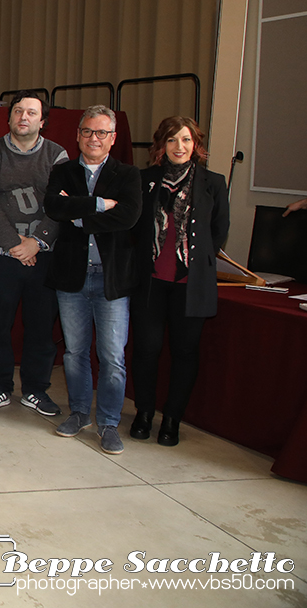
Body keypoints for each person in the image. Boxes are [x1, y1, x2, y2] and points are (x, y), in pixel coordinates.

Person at [43, 106, 142, 454]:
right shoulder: (62, 171)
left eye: (101, 133)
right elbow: (54, 208)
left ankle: (109, 423)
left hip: (111, 280)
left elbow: (128, 217)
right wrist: (100, 205)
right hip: (72, 278)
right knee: (74, 352)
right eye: (87, 131)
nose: (94, 138)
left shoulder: (128, 175)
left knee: (112, 356)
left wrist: (80, 216)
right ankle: (80, 413)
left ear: (113, 139)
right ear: (78, 135)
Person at [129, 116, 229, 447]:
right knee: (146, 349)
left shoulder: (213, 182)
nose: (179, 147)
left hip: (191, 285)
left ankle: (172, 420)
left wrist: (194, 260)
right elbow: (134, 229)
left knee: (185, 352)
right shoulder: (145, 180)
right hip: (151, 282)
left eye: (186, 140)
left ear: (195, 144)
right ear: (161, 146)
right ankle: (144, 413)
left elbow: (218, 232)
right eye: (172, 140)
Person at [0, 90, 68, 415]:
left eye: (31, 112)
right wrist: (16, 245)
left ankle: (36, 390)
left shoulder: (57, 156)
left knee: (41, 327)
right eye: (18, 112)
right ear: (10, 117)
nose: (23, 117)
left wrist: (36, 242)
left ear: (42, 120)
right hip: (1, 256)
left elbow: (60, 205)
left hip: (43, 256)